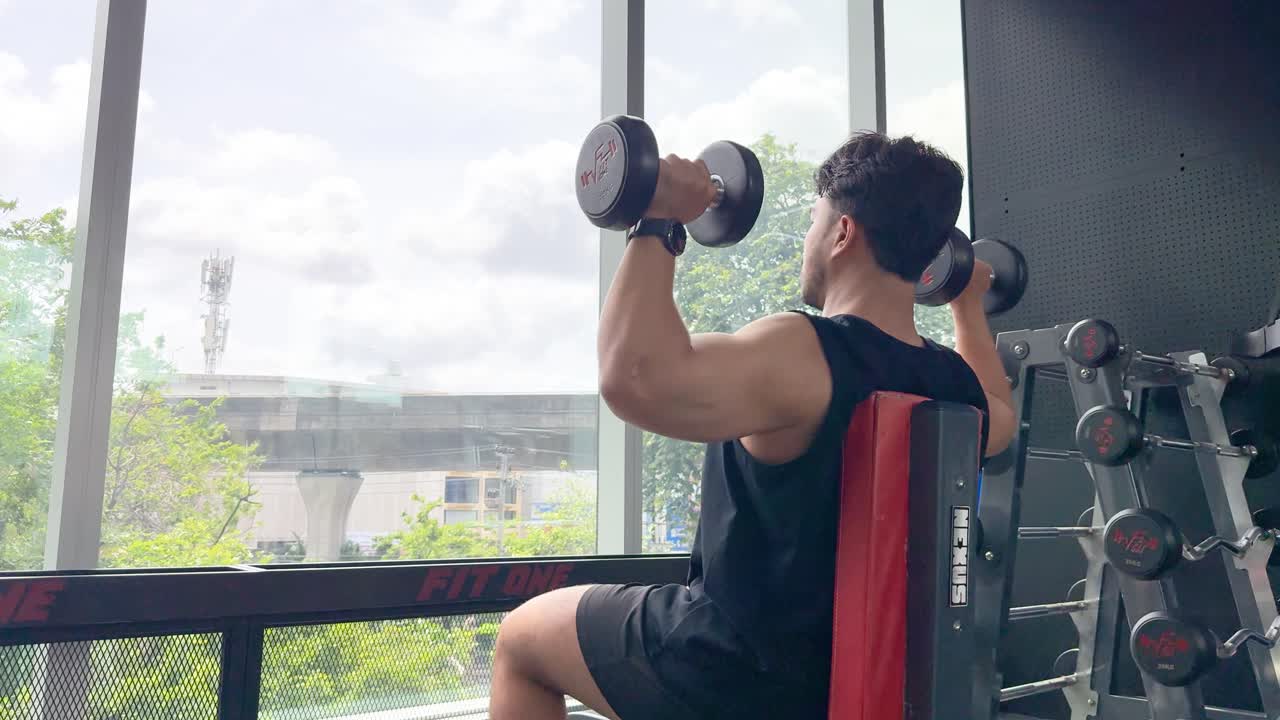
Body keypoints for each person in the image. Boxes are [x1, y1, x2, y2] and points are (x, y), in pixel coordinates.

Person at [488, 131, 1016, 720]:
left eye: (815, 223)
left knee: (521, 640)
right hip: (850, 684)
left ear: (842, 233)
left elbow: (634, 378)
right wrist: (966, 306)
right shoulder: (954, 389)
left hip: (731, 673)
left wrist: (660, 219)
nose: (808, 242)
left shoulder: (804, 350)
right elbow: (1003, 412)